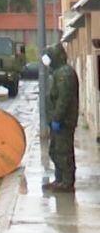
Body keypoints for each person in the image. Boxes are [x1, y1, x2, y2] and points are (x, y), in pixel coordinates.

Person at [42, 44, 79, 193]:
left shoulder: (65, 74)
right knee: (55, 151)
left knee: (63, 151)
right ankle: (60, 179)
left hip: (64, 121)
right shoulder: (58, 73)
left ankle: (67, 182)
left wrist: (57, 118)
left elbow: (64, 99)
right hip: (57, 120)